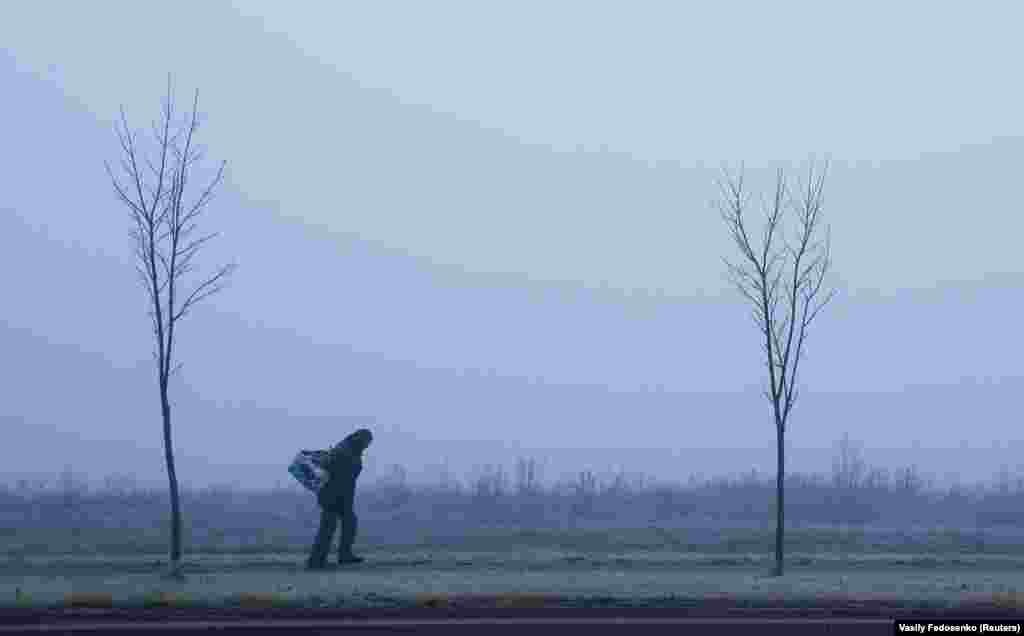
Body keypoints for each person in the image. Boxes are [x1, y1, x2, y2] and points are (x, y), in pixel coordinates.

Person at [306, 428, 374, 570]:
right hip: (332, 495)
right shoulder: (343, 450)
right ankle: (316, 561)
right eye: (368, 442)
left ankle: (344, 555)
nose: (368, 445)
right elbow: (329, 469)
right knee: (328, 527)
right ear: (361, 439)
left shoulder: (352, 449)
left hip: (343, 495)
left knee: (349, 523)